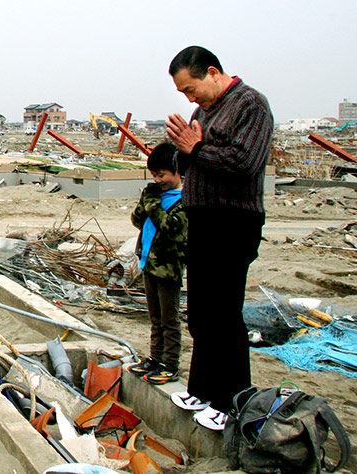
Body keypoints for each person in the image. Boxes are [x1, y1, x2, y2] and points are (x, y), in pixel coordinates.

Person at [164, 46, 274, 431]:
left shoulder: (251, 105)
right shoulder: (202, 112)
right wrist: (184, 150)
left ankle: (232, 400)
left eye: (191, 89)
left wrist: (195, 147)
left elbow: (244, 164)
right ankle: (203, 388)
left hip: (234, 222)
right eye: (183, 94)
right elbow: (187, 162)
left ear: (213, 73)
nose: (189, 99)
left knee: (225, 313)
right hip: (203, 219)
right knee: (201, 311)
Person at [128, 142, 188, 385]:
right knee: (155, 317)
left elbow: (170, 229)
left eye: (162, 175)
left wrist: (153, 204)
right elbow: (136, 220)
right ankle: (155, 357)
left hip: (168, 269)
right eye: (155, 176)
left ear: (176, 172)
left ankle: (170, 363)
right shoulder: (157, 197)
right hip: (149, 265)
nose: (159, 180)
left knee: (169, 319)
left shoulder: (183, 202)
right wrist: (145, 203)